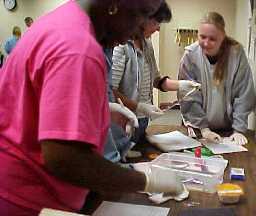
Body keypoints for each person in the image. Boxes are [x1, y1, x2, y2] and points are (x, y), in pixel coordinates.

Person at [0, 0, 187, 215]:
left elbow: (33, 104)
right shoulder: (79, 48)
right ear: (115, 5)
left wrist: (100, 110)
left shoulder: (63, 19)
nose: (139, 27)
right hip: (27, 199)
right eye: (140, 14)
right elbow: (65, 159)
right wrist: (146, 180)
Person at [112, 1, 200, 145]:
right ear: (142, 19)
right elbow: (111, 91)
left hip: (143, 121)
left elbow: (156, 80)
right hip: (124, 122)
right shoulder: (121, 46)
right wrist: (138, 106)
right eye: (156, 23)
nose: (158, 29)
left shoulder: (147, 44)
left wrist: (181, 85)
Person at [178, 12, 256, 145]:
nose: (206, 43)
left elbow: (243, 93)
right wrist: (204, 129)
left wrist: (238, 130)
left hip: (229, 129)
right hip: (197, 127)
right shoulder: (190, 55)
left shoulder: (236, 54)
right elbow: (188, 96)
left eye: (213, 39)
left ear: (223, 37)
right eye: (202, 37)